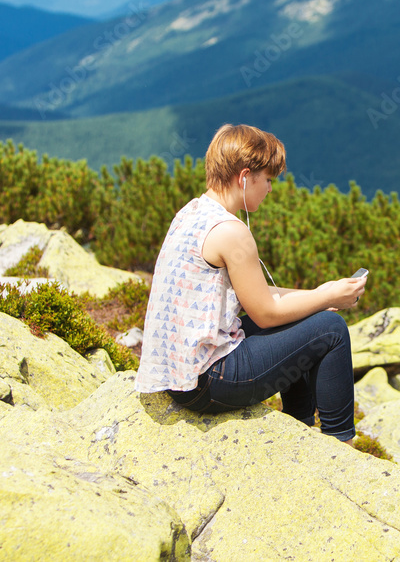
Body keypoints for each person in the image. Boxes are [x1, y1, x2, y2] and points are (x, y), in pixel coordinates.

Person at [134, 124, 367, 443]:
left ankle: (299, 426)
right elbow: (266, 314)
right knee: (332, 328)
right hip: (207, 383)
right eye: (268, 179)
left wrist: (318, 296)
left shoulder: (193, 213)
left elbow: (255, 294)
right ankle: (342, 442)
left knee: (309, 315)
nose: (270, 188)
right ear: (245, 177)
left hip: (179, 377)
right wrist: (328, 299)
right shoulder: (231, 232)